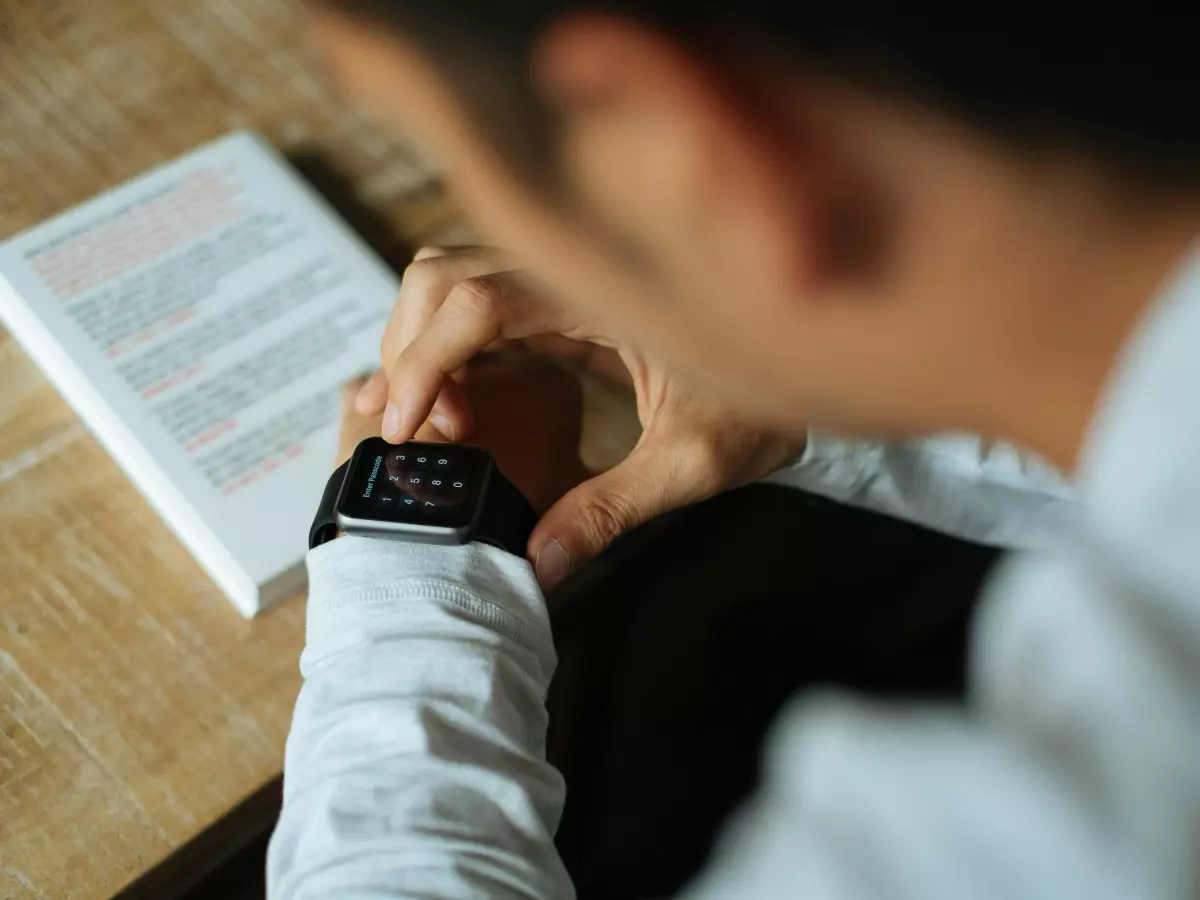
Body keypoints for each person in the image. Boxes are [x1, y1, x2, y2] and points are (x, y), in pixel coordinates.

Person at [268, 5, 1200, 899]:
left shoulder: (1082, 817)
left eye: (441, 155)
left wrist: (414, 574)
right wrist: (778, 367)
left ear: (681, 148)